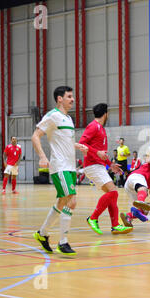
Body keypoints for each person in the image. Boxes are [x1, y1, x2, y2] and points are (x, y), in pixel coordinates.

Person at [32, 86, 89, 256]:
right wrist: (42, 156)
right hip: (60, 166)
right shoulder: (52, 116)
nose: (72, 99)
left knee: (62, 202)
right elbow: (35, 136)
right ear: (59, 99)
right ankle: (63, 242)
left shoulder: (68, 119)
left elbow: (63, 140)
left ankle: (42, 234)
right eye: (69, 96)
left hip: (70, 166)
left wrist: (76, 145)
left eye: (72, 96)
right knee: (71, 202)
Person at [79, 103, 133, 235]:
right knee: (114, 192)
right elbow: (82, 143)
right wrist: (97, 153)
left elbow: (101, 154)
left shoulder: (101, 128)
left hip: (99, 165)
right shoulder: (93, 126)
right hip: (92, 165)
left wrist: (111, 164)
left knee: (111, 196)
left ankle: (115, 226)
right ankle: (93, 217)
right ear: (105, 114)